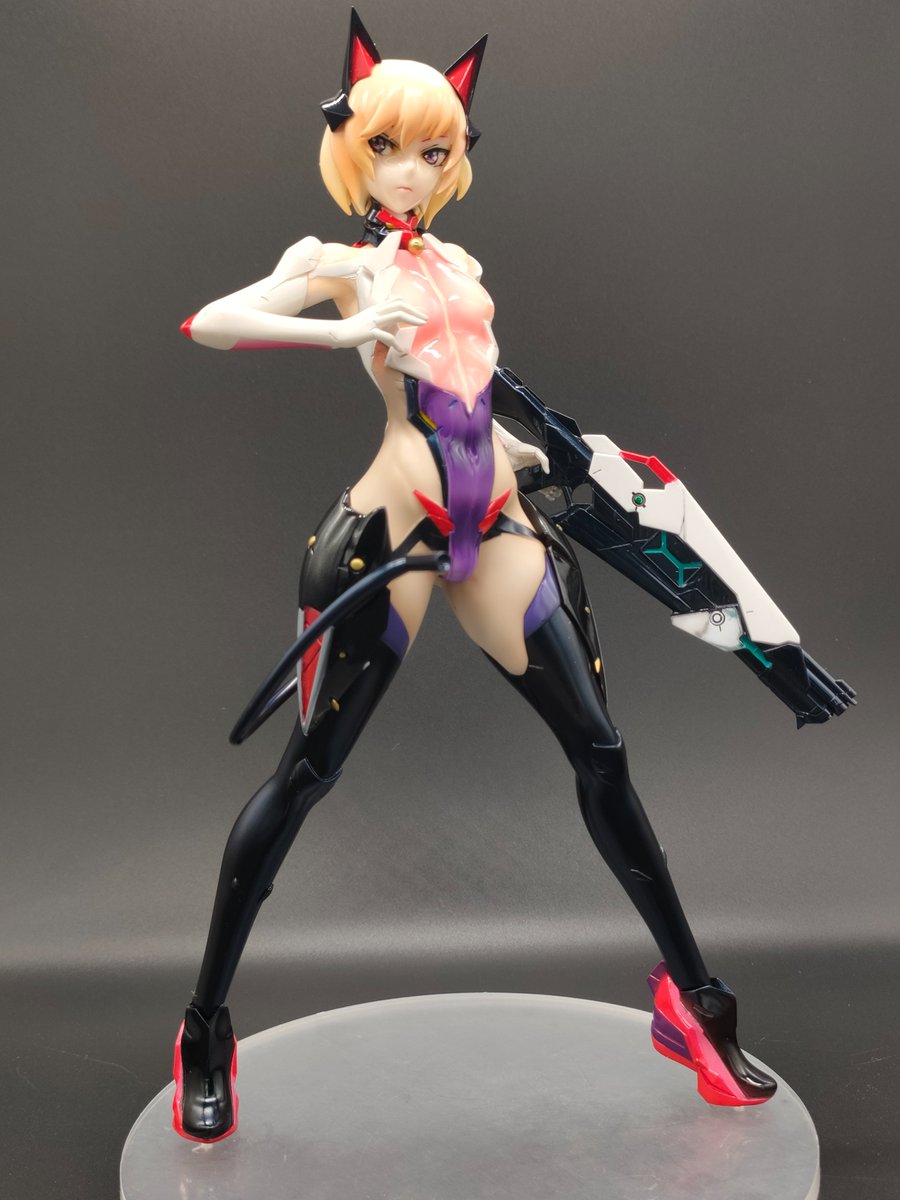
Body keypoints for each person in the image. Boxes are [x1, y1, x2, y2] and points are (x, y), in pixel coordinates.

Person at [173, 10, 852, 1142]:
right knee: (308, 774)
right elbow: (211, 322)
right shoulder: (335, 263)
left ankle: (695, 1004)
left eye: (433, 150)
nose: (410, 170)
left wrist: (546, 460)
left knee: (601, 752)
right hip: (393, 529)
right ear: (351, 149)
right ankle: (204, 1026)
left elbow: (471, 395)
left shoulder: (461, 265)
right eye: (388, 147)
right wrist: (343, 332)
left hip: (498, 517)